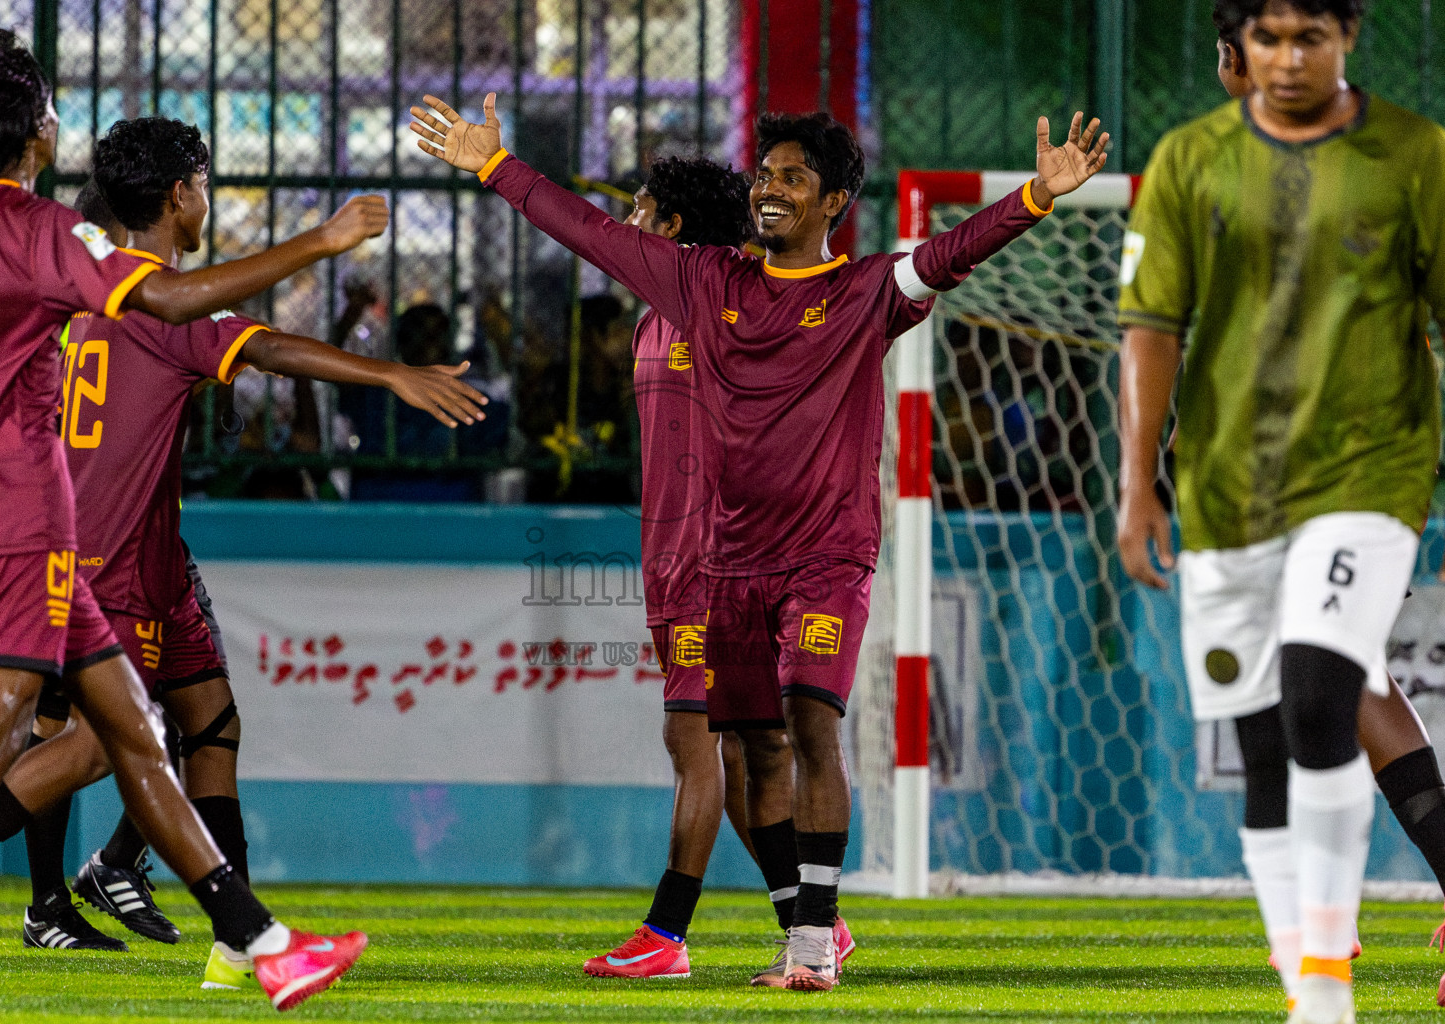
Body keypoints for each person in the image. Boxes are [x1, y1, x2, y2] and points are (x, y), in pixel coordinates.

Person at [412, 93, 1108, 991]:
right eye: (764, 175)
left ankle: (810, 945)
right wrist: (496, 167)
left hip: (828, 554)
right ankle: (800, 924)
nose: (769, 189)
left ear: (832, 205)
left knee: (811, 722)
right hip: (726, 564)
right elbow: (590, 232)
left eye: (793, 178)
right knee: (750, 753)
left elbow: (950, 252)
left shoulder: (866, 292)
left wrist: (1035, 199)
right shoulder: (705, 283)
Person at [0, 116, 486, 988]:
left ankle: (237, 943)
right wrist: (387, 372)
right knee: (91, 749)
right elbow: (266, 347)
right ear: (178, 196)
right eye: (202, 183)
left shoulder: (88, 293)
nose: (207, 197)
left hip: (141, 560)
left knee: (213, 725)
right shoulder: (167, 303)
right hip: (110, 564)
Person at [0, 31, 388, 1013]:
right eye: (46, 105)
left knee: (137, 728)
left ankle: (262, 942)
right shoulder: (40, 230)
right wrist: (320, 242)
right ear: (29, 129)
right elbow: (166, 296)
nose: (55, 119)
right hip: (16, 517)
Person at [1116, 2, 1445, 1020]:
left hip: (1362, 474)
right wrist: (1146, 476)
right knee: (1322, 702)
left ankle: (1322, 970)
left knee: (1323, 690)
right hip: (1238, 491)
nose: (1265, 67)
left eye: (1304, 39)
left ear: (1346, 38)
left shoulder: (1402, 158)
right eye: (1253, 47)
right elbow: (1156, 327)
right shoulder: (1203, 166)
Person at [580, 156, 843, 982]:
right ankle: (812, 922)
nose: (629, 227)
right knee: (743, 760)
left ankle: (665, 934)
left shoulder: (723, 312)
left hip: (719, 563)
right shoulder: (652, 321)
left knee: (693, 741)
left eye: (642, 213)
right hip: (671, 558)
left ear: (675, 231)